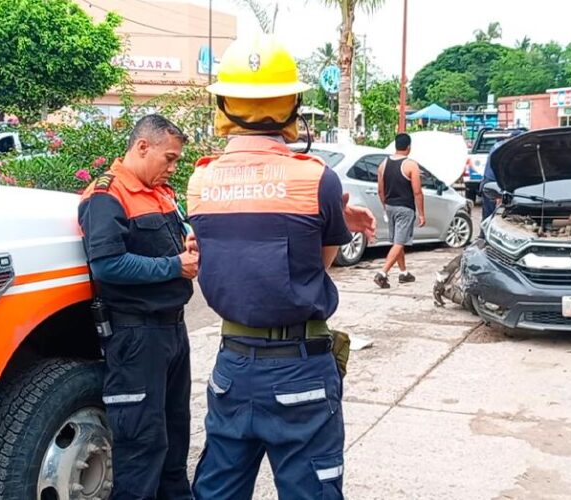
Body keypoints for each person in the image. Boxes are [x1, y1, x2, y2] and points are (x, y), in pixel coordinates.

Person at [187, 35, 374, 499]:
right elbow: (319, 265)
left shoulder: (201, 179)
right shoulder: (317, 179)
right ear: (292, 104)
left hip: (231, 365)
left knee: (218, 490)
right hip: (299, 372)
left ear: (225, 104)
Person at [78, 114, 199, 500]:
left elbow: (171, 246)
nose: (173, 167)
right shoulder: (106, 196)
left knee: (176, 434)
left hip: (172, 330)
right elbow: (108, 265)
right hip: (136, 335)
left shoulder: (160, 192)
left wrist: (188, 250)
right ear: (142, 147)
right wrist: (174, 265)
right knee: (141, 446)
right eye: (170, 157)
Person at [373, 133, 425, 288]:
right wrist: (421, 214)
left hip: (390, 206)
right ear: (408, 147)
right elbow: (417, 192)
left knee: (398, 240)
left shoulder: (383, 164)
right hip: (405, 208)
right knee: (400, 242)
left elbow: (380, 190)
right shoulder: (411, 165)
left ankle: (403, 273)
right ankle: (382, 273)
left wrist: (385, 206)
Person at [480, 129, 526, 223]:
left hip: (488, 182)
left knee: (488, 212)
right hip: (496, 184)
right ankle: (488, 234)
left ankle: (483, 235)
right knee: (496, 215)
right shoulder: (508, 150)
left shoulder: (498, 145)